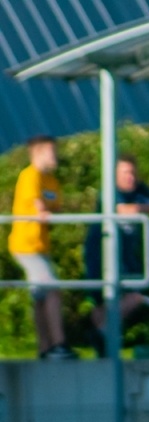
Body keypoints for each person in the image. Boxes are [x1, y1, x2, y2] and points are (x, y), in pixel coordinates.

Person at [83, 155, 149, 355]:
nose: (130, 177)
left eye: (133, 172)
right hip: (101, 254)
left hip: (125, 256)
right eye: (125, 173)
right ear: (114, 175)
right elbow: (121, 209)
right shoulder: (110, 191)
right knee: (112, 300)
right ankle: (103, 340)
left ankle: (103, 340)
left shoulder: (140, 191)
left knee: (129, 297)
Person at [8, 135, 70, 360]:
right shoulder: (30, 176)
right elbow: (40, 208)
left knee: (41, 296)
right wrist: (43, 212)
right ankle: (58, 343)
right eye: (51, 152)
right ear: (38, 153)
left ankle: (45, 347)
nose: (55, 157)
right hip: (27, 246)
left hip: (41, 246)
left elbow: (56, 209)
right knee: (52, 290)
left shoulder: (51, 180)